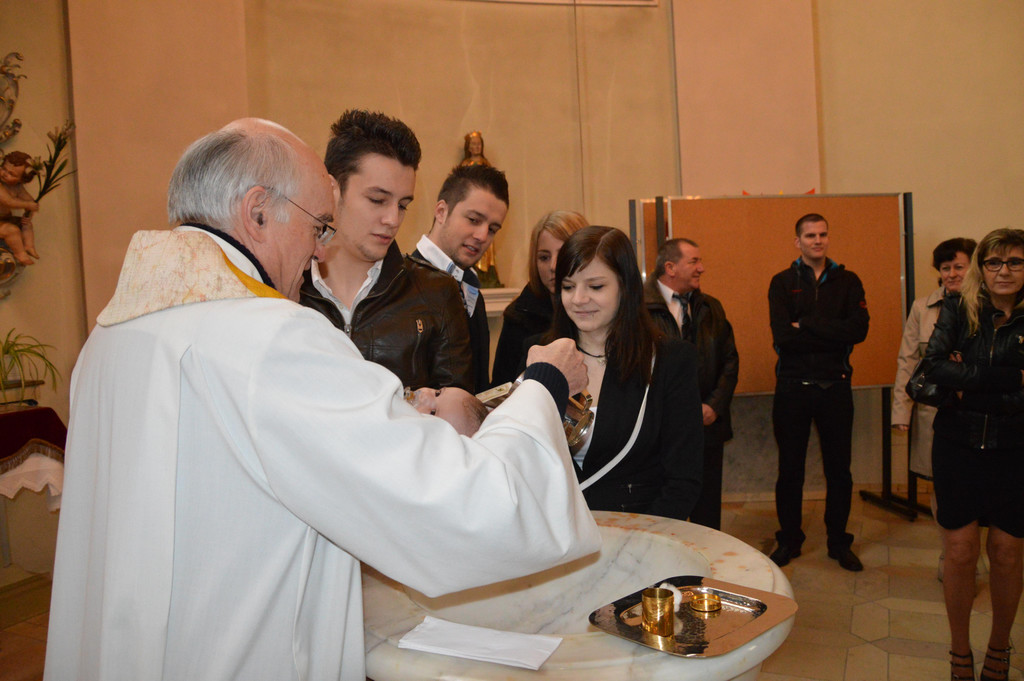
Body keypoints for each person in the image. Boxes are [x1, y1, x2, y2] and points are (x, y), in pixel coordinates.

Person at [43, 118, 601, 681]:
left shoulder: (109, 339)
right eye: (318, 225)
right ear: (258, 212)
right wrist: (543, 385)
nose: (319, 249)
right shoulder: (271, 338)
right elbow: (472, 504)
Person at [536, 225, 703, 521]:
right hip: (557, 532)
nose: (578, 299)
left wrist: (642, 541)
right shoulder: (541, 356)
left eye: (595, 287)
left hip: (641, 530)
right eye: (568, 286)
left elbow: (682, 480)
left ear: (625, 286)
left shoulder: (670, 361)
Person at [299, 110, 473, 391]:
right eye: (377, 200)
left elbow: (458, 411)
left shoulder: (436, 294)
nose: (393, 219)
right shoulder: (287, 289)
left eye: (403, 205)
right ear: (332, 189)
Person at [921, 228, 1024, 681]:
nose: (1004, 271)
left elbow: (953, 375)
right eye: (994, 262)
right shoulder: (959, 308)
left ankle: (999, 648)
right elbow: (933, 367)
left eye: (1015, 262)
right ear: (982, 268)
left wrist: (969, 382)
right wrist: (1011, 378)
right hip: (958, 445)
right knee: (961, 553)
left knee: (1006, 553)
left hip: (1015, 448)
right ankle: (959, 652)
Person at [768, 213, 869, 572]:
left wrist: (808, 324)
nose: (818, 240)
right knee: (790, 470)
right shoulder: (782, 282)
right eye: (810, 235)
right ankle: (789, 541)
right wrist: (830, 332)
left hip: (835, 386)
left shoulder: (848, 281)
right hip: (792, 387)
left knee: (839, 471)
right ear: (798, 241)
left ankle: (838, 542)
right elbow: (784, 337)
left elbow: (858, 331)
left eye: (823, 234)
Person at [646, 238, 738, 530]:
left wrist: (714, 405)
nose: (702, 268)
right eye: (694, 261)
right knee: (664, 517)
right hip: (658, 432)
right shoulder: (639, 309)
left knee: (707, 514)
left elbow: (730, 360)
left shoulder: (711, 307)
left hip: (706, 428)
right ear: (670, 267)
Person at [891, 238, 976, 530]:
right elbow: (908, 361)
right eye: (945, 267)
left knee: (977, 482)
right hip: (935, 412)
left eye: (959, 267)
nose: (951, 274)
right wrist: (901, 412)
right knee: (942, 484)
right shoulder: (922, 307)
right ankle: (949, 546)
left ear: (973, 268)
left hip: (978, 410)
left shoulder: (989, 305)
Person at [414, 164, 509, 392]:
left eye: (493, 229)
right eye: (474, 220)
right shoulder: (403, 284)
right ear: (441, 212)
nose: (483, 236)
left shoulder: (471, 290)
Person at [491, 210, 588, 386]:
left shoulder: (598, 311)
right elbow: (502, 388)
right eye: (544, 257)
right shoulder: (518, 317)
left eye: (563, 254)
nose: (553, 266)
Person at [0, 151, 40, 266]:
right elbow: (8, 201)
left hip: (5, 219)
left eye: (12, 174)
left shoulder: (17, 187)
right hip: (2, 222)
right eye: (4, 169)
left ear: (22, 179)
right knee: (12, 230)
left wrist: (28, 214)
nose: (5, 174)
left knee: (26, 225)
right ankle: (20, 254)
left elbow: (30, 200)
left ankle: (29, 246)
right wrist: (27, 205)